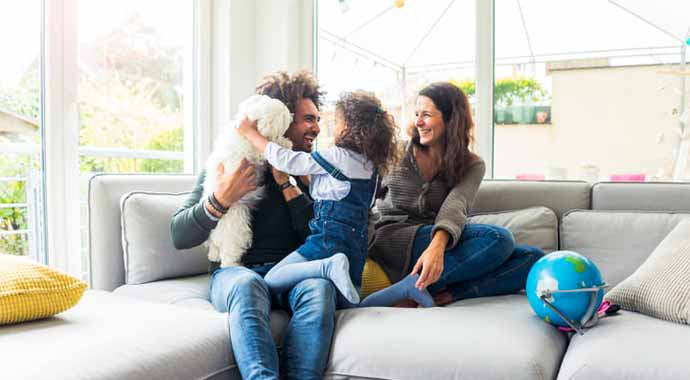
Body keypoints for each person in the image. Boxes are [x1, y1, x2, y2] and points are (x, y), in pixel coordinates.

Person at [170, 71, 335, 380]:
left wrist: (288, 185)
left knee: (319, 288)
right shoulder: (228, 162)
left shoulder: (314, 173)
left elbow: (318, 236)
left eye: (317, 119)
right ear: (281, 119)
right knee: (248, 285)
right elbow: (179, 234)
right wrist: (221, 199)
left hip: (293, 273)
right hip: (237, 272)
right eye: (308, 119)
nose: (316, 127)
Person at [365, 82, 545, 307]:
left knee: (533, 258)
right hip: (392, 239)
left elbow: (456, 204)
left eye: (427, 115)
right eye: (417, 114)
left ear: (451, 119)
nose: (418, 122)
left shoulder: (472, 164)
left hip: (434, 242)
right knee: (499, 238)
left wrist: (437, 247)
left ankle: (446, 292)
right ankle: (416, 286)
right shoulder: (396, 152)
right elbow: (365, 195)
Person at [236, 90, 400, 306]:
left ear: (349, 127)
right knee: (351, 303)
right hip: (356, 247)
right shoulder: (371, 168)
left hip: (327, 242)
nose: (330, 128)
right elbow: (342, 193)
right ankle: (406, 289)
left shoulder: (336, 156)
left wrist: (250, 133)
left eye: (337, 122)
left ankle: (327, 267)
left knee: (273, 279)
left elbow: (288, 160)